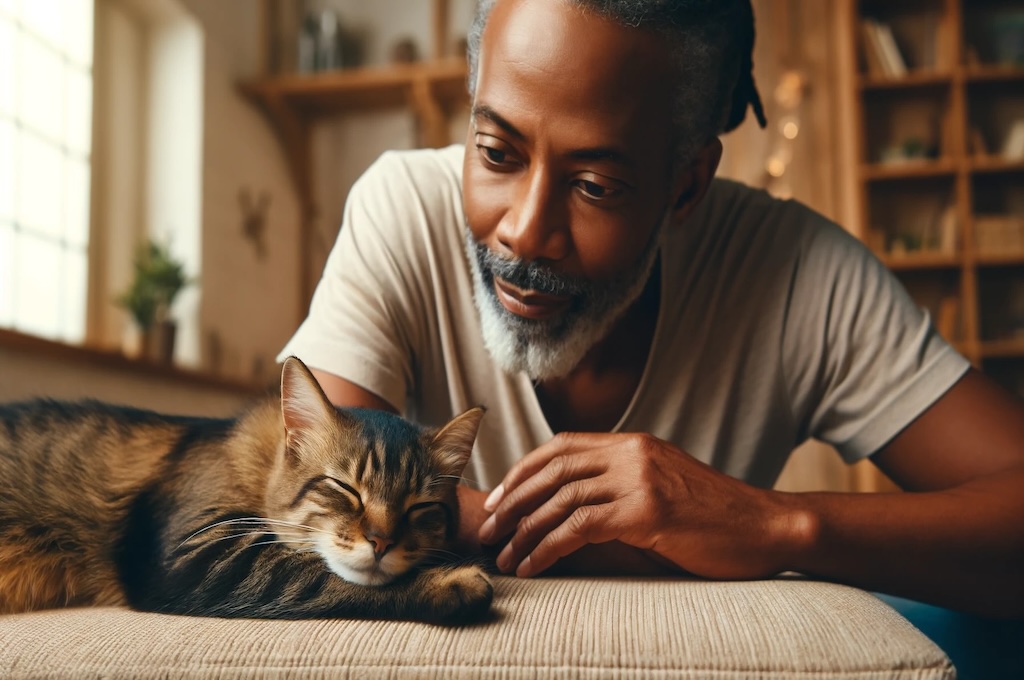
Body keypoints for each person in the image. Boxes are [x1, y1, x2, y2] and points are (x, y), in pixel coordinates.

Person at [278, 0, 1024, 620]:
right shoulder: (401, 208)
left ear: (687, 185)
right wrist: (639, 535)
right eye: (497, 151)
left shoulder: (799, 271)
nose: (525, 231)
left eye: (595, 185)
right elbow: (308, 513)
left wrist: (772, 523)